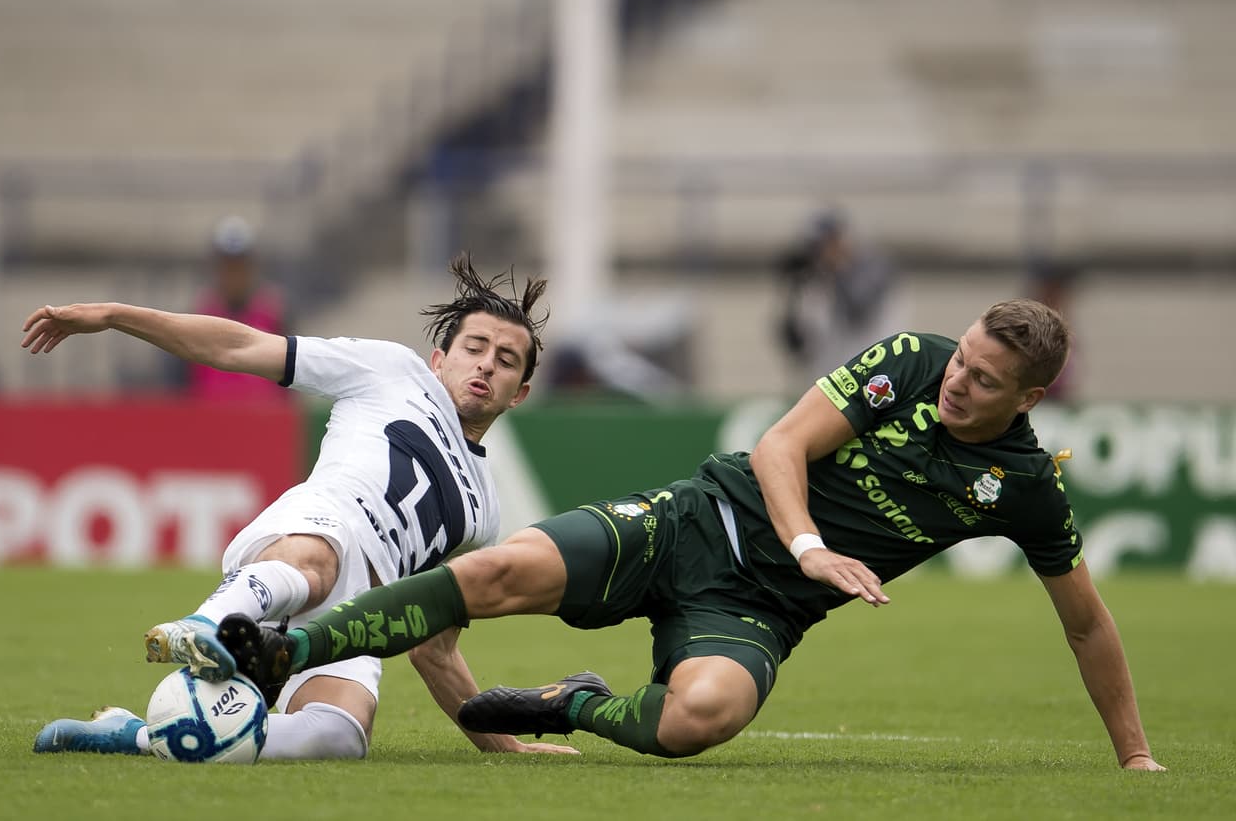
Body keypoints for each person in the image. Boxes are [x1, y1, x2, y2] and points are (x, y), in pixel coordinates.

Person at [218, 298, 1165, 771]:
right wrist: (809, 546)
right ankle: (292, 644)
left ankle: (569, 704)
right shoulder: (908, 365)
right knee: (500, 568)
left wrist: (1134, 755)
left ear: (1030, 399)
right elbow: (781, 444)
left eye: (984, 380)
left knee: (697, 719)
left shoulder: (1027, 486)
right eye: (962, 358)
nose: (957, 380)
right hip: (692, 521)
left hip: (758, 610)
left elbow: (1086, 621)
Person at [24, 253, 576, 760]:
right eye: (474, 348)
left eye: (506, 361)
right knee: (316, 564)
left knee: (340, 737)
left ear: (519, 393)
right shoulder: (391, 370)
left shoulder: (483, 515)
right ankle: (206, 625)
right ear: (440, 359)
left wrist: (506, 747)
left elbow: (434, 649)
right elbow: (238, 346)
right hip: (318, 526)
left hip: (358, 612)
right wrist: (118, 315)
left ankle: (136, 736)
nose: (485, 366)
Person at [777, 209, 899, 385]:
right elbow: (796, 340)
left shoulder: (874, 268)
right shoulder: (818, 281)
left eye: (824, 245)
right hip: (831, 381)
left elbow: (859, 310)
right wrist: (793, 294)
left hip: (877, 377)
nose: (820, 254)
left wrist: (836, 270)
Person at [184, 215, 290, 401]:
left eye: (240, 266)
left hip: (262, 422)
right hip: (209, 422)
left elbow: (289, 382)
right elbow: (180, 388)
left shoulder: (274, 316)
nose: (234, 275)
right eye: (227, 266)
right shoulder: (196, 319)